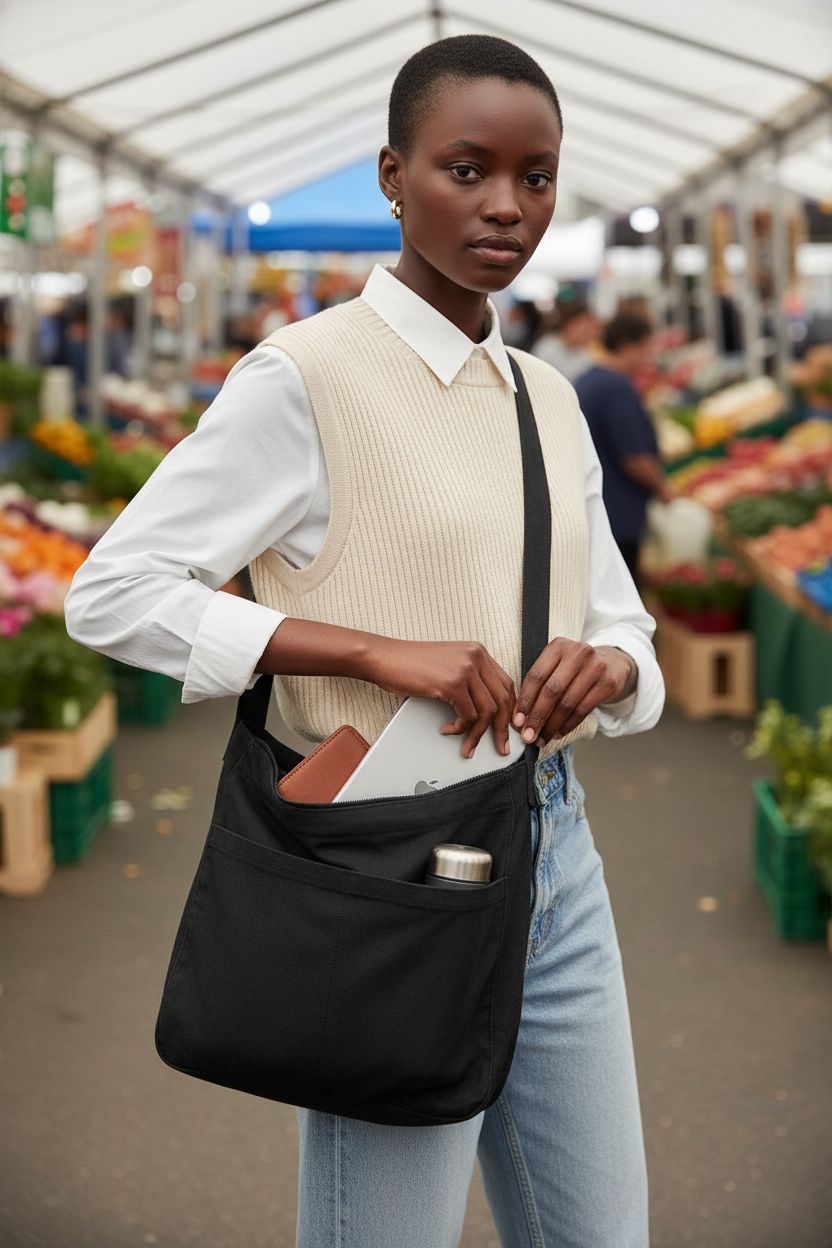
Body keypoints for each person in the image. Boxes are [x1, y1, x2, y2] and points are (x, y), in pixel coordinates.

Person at [65, 34, 664, 1248]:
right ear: (394, 176)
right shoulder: (305, 378)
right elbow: (114, 592)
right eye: (466, 168)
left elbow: (624, 627)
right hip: (387, 870)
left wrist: (608, 669)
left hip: (553, 858)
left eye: (536, 177)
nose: (506, 205)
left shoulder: (548, 395)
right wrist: (372, 650)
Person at [576, 312, 672, 581]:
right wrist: (662, 488)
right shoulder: (615, 387)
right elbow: (634, 457)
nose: (647, 359)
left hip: (598, 509)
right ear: (628, 346)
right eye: (645, 349)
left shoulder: (589, 379)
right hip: (618, 514)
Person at [531, 296, 597, 382]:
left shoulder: (585, 354)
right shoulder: (547, 347)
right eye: (584, 328)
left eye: (590, 328)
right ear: (568, 324)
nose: (588, 333)